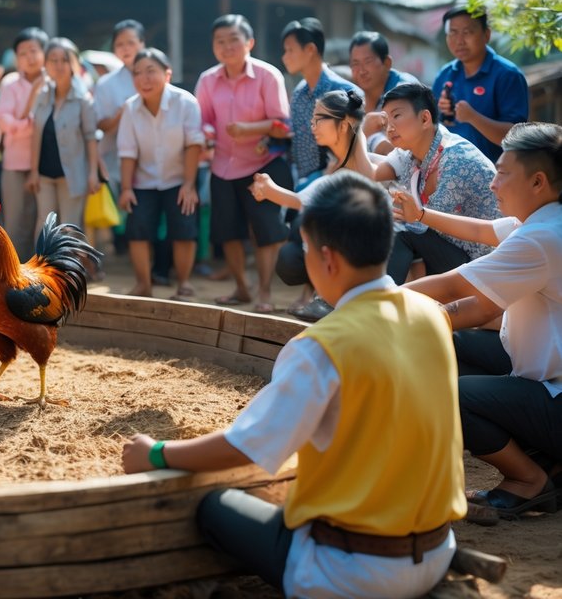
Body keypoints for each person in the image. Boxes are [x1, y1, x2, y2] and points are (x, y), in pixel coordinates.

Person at [123, 171, 465, 598]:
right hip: (437, 551)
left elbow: (247, 446)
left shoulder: (321, 346)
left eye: (303, 249)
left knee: (214, 507)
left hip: (353, 572)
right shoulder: (431, 314)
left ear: (328, 259)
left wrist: (157, 452)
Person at [401, 122, 562, 521]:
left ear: (538, 182)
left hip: (554, 396)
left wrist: (371, 303)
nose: (493, 183)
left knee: (448, 393)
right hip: (544, 379)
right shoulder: (542, 221)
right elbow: (484, 231)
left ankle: (528, 479)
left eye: (503, 173)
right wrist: (422, 214)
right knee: (447, 344)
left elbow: (455, 287)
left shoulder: (541, 238)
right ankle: (545, 460)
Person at [194, 14, 292, 313]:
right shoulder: (207, 80)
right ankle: (241, 288)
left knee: (265, 232)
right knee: (228, 233)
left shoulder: (268, 75)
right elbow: (203, 120)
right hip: (223, 166)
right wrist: (208, 133)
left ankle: (265, 292)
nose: (226, 47)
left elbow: (282, 124)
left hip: (264, 165)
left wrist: (249, 129)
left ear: (249, 42)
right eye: (219, 41)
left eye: (233, 40)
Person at [253, 90, 377, 321]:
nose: (313, 126)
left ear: (344, 124)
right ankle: (324, 298)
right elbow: (302, 200)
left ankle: (332, 301)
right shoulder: (334, 167)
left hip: (384, 252)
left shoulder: (375, 159)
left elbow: (369, 177)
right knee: (296, 245)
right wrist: (269, 190)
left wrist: (359, 129)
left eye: (319, 119)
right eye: (313, 119)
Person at [371, 82, 498, 283]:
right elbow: (374, 175)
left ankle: (377, 297)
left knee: (398, 231)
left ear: (424, 118)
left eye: (396, 116)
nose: (389, 127)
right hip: (452, 254)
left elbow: (420, 223)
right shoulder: (413, 154)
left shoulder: (456, 159)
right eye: (386, 120)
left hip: (483, 266)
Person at [116, 48, 203, 299]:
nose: (144, 78)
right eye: (137, 73)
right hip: (143, 180)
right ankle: (143, 284)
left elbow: (193, 144)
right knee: (137, 229)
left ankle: (184, 284)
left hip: (179, 178)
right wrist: (126, 188)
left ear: (167, 74)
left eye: (150, 71)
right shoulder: (130, 108)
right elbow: (127, 151)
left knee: (184, 229)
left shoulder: (186, 102)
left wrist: (189, 184)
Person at [433, 6, 528, 161]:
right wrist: (442, 113)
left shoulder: (508, 75)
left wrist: (472, 117)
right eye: (453, 33)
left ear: (486, 34)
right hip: (450, 170)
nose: (459, 41)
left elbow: (516, 138)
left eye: (467, 32)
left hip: (496, 171)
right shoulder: (444, 75)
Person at [26, 37, 100, 236]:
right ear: (46, 64)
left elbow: (91, 137)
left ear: (74, 63)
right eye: (53, 60)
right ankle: (42, 259)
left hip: (73, 174)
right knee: (44, 224)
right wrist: (33, 171)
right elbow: (35, 133)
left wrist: (93, 173)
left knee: (69, 226)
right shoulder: (42, 94)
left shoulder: (83, 98)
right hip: (44, 173)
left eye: (64, 60)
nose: (59, 65)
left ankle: (68, 259)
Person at [280, 18, 357, 189]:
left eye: (290, 50)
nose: (285, 57)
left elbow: (356, 143)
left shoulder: (344, 91)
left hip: (337, 182)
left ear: (310, 49)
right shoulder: (299, 93)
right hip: (301, 181)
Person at [0, 27, 48, 253]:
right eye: (23, 53)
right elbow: (5, 124)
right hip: (14, 162)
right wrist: (31, 123)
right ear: (16, 58)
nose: (29, 57)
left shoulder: (54, 81)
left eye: (34, 51)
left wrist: (22, 124)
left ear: (44, 52)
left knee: (42, 221)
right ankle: (13, 269)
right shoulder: (9, 83)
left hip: (47, 163)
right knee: (15, 222)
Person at [93, 19, 144, 193]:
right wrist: (122, 113)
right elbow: (101, 124)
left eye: (131, 43)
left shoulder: (156, 77)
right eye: (120, 44)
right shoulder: (105, 84)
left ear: (142, 43)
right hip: (115, 160)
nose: (125, 48)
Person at [348, 31, 413, 156]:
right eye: (355, 64)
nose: (361, 71)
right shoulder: (354, 95)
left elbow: (407, 151)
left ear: (387, 63)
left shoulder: (403, 90)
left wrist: (366, 134)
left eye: (368, 62)